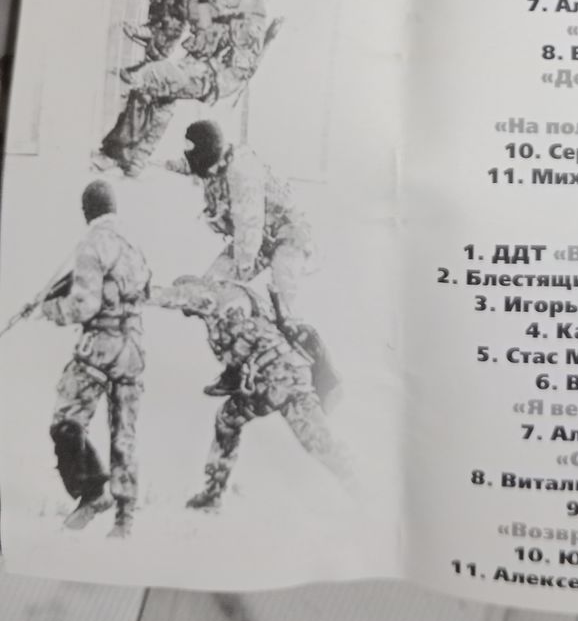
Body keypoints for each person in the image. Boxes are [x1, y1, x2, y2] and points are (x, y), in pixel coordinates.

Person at [154, 276, 349, 511]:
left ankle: (213, 494)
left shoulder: (210, 296)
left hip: (277, 376)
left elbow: (171, 297)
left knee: (313, 439)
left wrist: (134, 292)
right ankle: (213, 494)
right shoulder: (242, 297)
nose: (188, 311)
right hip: (281, 375)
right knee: (232, 420)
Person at [167, 120, 320, 397]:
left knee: (283, 311)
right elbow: (194, 164)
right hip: (255, 237)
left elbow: (249, 225)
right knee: (211, 292)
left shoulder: (242, 172)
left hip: (286, 236)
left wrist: (240, 273)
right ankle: (235, 365)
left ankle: (299, 377)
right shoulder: (213, 158)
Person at [98, 0, 274, 176]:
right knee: (164, 93)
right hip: (221, 71)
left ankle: (114, 154)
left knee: (150, 78)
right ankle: (137, 160)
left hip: (215, 73)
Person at [44, 180, 151, 537]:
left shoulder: (92, 242)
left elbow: (83, 306)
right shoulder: (133, 242)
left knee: (65, 420)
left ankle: (92, 492)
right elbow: (143, 288)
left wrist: (51, 309)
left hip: (100, 347)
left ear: (86, 210)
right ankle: (124, 521)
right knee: (125, 433)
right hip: (133, 347)